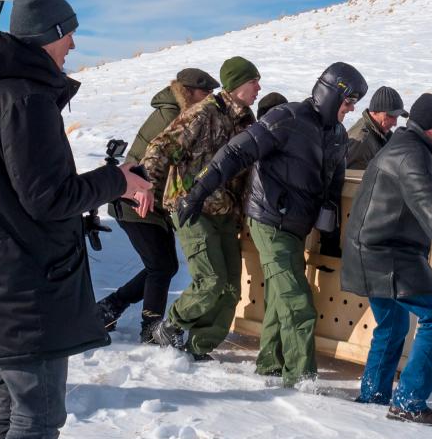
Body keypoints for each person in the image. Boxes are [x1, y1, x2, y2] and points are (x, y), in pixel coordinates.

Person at [0, 0, 152, 439]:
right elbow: (48, 197)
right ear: (48, 35)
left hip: (8, 278)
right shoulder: (25, 99)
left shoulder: (2, 94)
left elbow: (33, 192)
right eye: (68, 34)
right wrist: (118, 180)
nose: (73, 44)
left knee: (14, 409)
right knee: (39, 419)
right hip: (28, 284)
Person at [174, 63, 367, 387]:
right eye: (348, 102)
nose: (351, 109)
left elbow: (332, 189)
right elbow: (235, 152)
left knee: (280, 300)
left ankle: (270, 364)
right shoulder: (287, 118)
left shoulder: (337, 135)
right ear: (332, 95)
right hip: (269, 220)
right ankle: (301, 378)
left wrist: (331, 239)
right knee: (296, 300)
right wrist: (197, 193)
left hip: (298, 226)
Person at [341, 93, 432, 427]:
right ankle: (409, 402)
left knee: (394, 323)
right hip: (387, 254)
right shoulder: (412, 153)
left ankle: (373, 395)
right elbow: (422, 193)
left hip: (371, 250)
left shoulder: (403, 146)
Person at [138, 57, 261, 360]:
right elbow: (160, 147)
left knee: (230, 290)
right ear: (236, 84)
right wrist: (146, 187)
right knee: (210, 280)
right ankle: (170, 325)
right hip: (192, 207)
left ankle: (198, 348)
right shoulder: (204, 112)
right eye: (253, 82)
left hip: (226, 212)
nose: (258, 88)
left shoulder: (247, 120)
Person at [97, 68, 221, 342]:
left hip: (151, 203)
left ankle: (109, 308)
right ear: (189, 91)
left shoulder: (186, 114)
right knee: (161, 266)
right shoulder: (170, 115)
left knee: (164, 266)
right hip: (134, 201)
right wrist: (143, 190)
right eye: (205, 92)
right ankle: (150, 328)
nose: (210, 97)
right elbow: (146, 161)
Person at [346, 86, 407, 170]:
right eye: (390, 116)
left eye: (397, 117)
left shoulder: (380, 132)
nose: (395, 123)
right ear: (374, 112)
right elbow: (352, 177)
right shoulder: (361, 141)